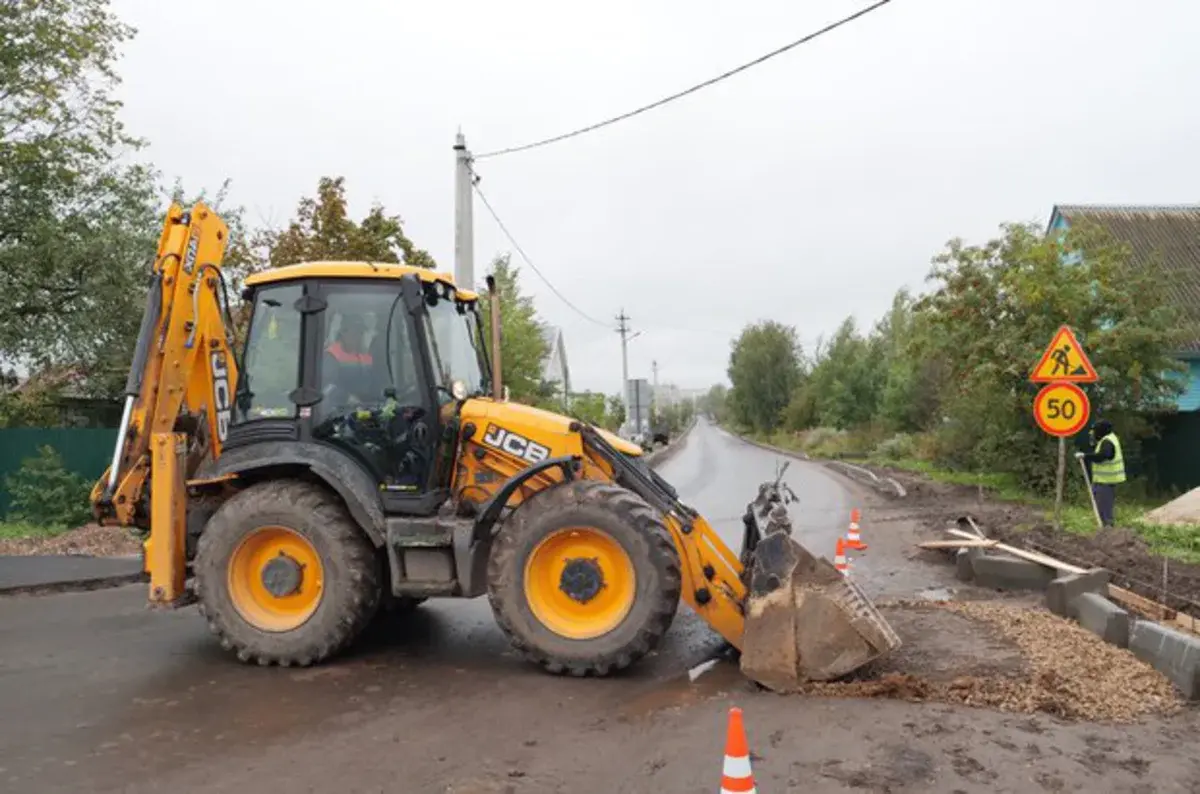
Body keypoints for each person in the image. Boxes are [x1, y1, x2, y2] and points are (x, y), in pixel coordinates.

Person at [1075, 418, 1124, 527]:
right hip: (1102, 482)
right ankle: (1104, 532)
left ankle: (1108, 533)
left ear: (1101, 430)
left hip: (1106, 482)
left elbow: (1103, 456)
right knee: (1100, 509)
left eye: (1095, 431)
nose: (1094, 434)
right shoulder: (1107, 439)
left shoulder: (1107, 441)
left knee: (1104, 510)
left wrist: (1085, 456)